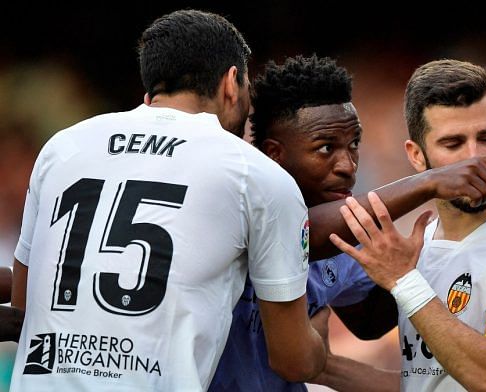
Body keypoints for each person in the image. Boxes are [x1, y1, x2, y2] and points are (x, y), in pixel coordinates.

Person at [9, 10, 326, 391]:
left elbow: (23, 304)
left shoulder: (61, 147)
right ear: (231, 83)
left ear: (150, 93)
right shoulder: (256, 175)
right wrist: (320, 342)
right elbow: (293, 361)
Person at [209, 55, 486, 391]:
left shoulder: (343, 236)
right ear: (274, 154)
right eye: (325, 147)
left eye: (354, 144)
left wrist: (411, 271)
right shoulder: (235, 203)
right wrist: (431, 182)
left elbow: (369, 322)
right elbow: (294, 232)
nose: (347, 165)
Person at [330, 60, 486, 391]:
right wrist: (323, 368)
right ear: (417, 155)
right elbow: (425, 383)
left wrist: (404, 280)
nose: (475, 158)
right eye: (454, 144)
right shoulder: (422, 244)